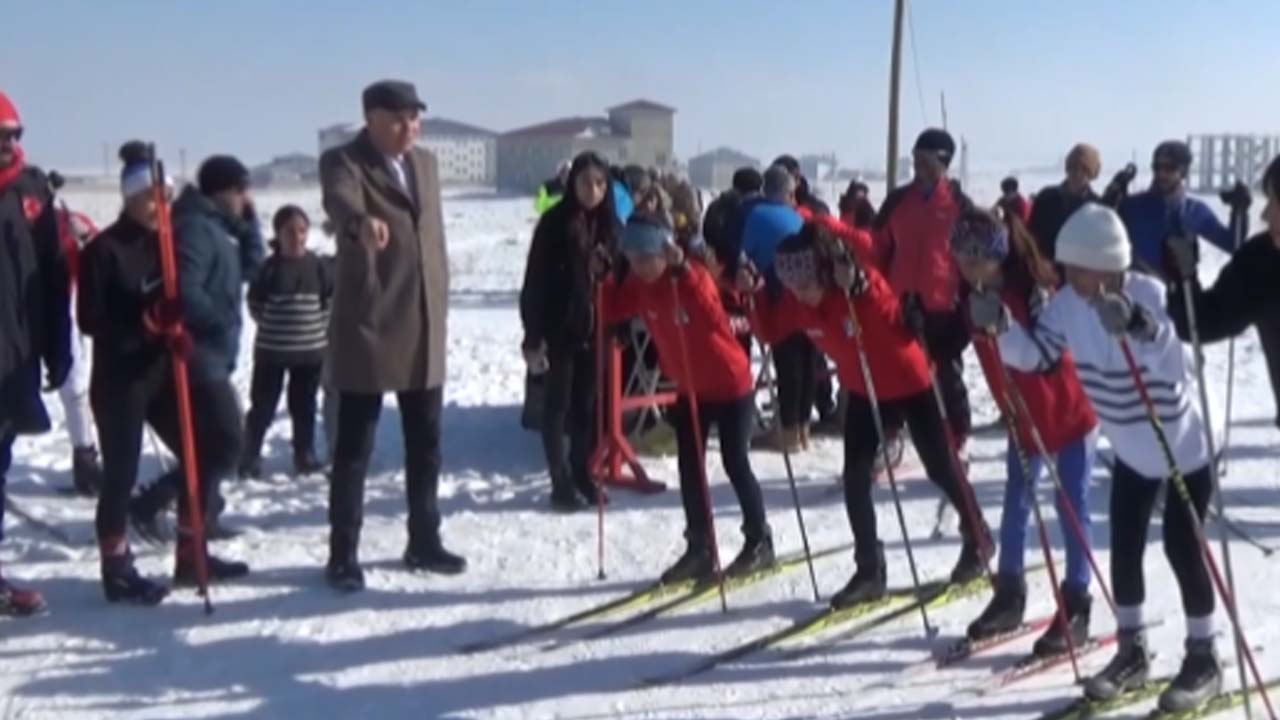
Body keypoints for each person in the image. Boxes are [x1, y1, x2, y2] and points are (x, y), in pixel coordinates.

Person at [982, 204, 1223, 712]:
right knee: (1125, 551)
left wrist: (1141, 327)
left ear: (1107, 265)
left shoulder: (1149, 295)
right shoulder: (1068, 304)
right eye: (1066, 266)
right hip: (1133, 454)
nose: (1067, 275)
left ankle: (1204, 657)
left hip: (1182, 452)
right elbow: (1038, 356)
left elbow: (1184, 365)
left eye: (1077, 267)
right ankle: (1132, 652)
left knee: (1182, 549)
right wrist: (1002, 326)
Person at [741, 222, 991, 609]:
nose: (801, 296)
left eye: (807, 285)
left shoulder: (858, 287)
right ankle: (869, 570)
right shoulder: (797, 302)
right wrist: (754, 295)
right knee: (855, 480)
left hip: (910, 382)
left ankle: (978, 537)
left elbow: (890, 319)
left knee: (940, 466)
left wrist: (860, 288)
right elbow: (772, 332)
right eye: (793, 288)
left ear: (824, 271)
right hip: (862, 387)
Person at [319, 79, 466, 592]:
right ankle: (343, 553)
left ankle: (423, 539)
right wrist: (361, 224)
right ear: (372, 119)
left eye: (415, 118)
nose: (411, 128)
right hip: (371, 323)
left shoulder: (425, 164)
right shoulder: (345, 161)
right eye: (399, 119)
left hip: (424, 320)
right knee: (354, 446)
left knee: (426, 443)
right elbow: (340, 204)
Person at [951, 209, 1100, 657]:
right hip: (1022, 417)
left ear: (999, 256)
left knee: (1070, 504)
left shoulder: (1034, 292)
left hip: (1067, 411)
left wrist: (1005, 326)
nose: (968, 266)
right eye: (962, 256)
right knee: (1016, 503)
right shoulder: (969, 293)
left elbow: (1049, 356)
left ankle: (1076, 604)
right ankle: (1010, 594)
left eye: (978, 259)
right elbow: (954, 342)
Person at [598, 213, 773, 582]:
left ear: (666, 253)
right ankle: (700, 547)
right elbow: (612, 309)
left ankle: (760, 541)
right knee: (690, 468)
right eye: (633, 259)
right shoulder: (640, 286)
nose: (641, 267)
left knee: (734, 462)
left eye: (647, 258)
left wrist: (686, 273)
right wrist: (606, 277)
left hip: (729, 382)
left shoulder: (691, 279)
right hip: (690, 387)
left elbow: (712, 316)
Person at [127, 151, 262, 572]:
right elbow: (184, 289)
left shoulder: (219, 229)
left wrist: (250, 223)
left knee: (211, 450)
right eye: (242, 190)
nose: (246, 197)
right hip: (196, 355)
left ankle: (191, 548)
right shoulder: (196, 230)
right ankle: (158, 509)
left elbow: (251, 269)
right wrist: (219, 322)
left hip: (215, 356)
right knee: (224, 445)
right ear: (223, 191)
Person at [0, 91, 70, 616]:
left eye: (13, 135)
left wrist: (58, 349)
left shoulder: (32, 193)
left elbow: (52, 276)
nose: (8, 145)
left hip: (15, 357)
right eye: (0, 136)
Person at [520, 151, 618, 512]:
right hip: (560, 326)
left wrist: (606, 268)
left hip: (597, 329)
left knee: (587, 406)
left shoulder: (609, 224)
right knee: (557, 406)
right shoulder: (554, 223)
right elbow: (534, 281)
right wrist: (533, 334)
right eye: (584, 183)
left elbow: (620, 275)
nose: (592, 191)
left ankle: (581, 471)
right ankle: (559, 479)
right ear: (572, 184)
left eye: (599, 183)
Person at [872, 128, 974, 457]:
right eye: (916, 159)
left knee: (946, 373)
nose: (919, 166)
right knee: (895, 371)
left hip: (944, 302)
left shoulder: (959, 204)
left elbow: (975, 254)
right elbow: (877, 245)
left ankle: (956, 438)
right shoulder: (899, 200)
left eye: (927, 160)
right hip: (900, 300)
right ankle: (891, 435)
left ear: (944, 163)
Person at [1167, 153, 1280, 429]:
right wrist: (1186, 277)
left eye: (1276, 203)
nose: (1265, 215)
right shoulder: (1261, 260)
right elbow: (1200, 323)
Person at [239, 205, 334, 478]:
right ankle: (250, 455)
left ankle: (304, 454)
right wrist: (275, 326)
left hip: (310, 354)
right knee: (263, 407)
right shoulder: (268, 269)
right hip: (272, 353)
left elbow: (327, 302)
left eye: (302, 231)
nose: (297, 237)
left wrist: (315, 328)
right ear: (278, 235)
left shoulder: (318, 266)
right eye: (289, 231)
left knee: (304, 407)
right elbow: (255, 305)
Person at [738, 166, 807, 452]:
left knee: (787, 361)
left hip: (781, 293)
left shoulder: (755, 215)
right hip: (808, 292)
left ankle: (788, 431)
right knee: (805, 362)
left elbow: (744, 254)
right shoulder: (797, 216)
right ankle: (802, 428)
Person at [51, 196, 106, 496]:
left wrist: (85, 238)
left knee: (74, 387)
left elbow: (101, 250)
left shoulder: (67, 220)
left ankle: (85, 458)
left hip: (63, 305)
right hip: (14, 310)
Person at [1119, 140, 1233, 277]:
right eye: (1157, 167)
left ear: (1183, 172)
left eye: (1169, 168)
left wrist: (1239, 213)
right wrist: (1110, 200)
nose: (1162, 173)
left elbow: (1233, 245)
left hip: (1178, 293)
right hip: (1137, 290)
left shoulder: (1194, 211)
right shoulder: (1131, 206)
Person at [1027, 143, 1102, 262]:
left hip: (1080, 271)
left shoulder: (1096, 206)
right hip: (1046, 268)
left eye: (1083, 170)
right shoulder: (1047, 197)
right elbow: (1031, 235)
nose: (1077, 173)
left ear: (1091, 174)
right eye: (1073, 168)